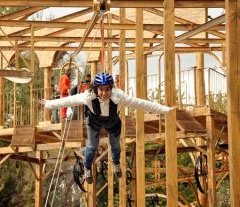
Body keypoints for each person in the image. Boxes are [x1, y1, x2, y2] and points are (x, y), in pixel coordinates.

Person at [40, 72, 177, 184]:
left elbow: (141, 103)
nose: (104, 93)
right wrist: (48, 104)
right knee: (92, 147)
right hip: (94, 122)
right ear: (96, 89)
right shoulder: (88, 96)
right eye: (101, 90)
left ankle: (115, 162)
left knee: (116, 145)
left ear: (111, 88)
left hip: (112, 122)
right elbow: (68, 100)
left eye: (107, 89)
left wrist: (165, 110)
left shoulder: (119, 96)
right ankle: (87, 168)